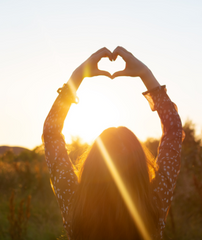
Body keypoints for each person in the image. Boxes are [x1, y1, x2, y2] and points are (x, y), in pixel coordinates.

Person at [42, 47, 183, 240]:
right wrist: (145, 74)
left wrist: (77, 76)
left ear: (93, 163)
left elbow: (51, 133)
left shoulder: (75, 203)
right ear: (140, 164)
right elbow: (173, 130)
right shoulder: (154, 203)